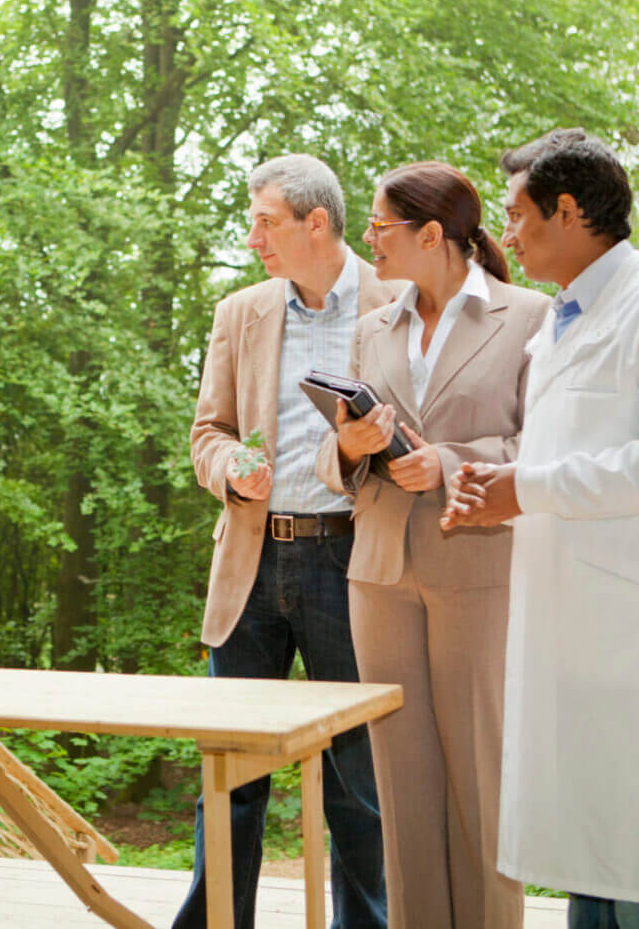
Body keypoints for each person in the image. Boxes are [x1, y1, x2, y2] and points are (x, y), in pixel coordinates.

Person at [442, 131, 639, 927]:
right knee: (590, 861)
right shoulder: (559, 324)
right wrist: (496, 487)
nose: (502, 236)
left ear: (569, 210)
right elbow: (562, 458)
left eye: (514, 215)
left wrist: (530, 487)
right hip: (570, 636)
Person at [317, 161, 548, 929]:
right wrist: (351, 445)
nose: (369, 241)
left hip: (478, 564)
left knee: (478, 778)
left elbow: (543, 444)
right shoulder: (367, 329)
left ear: (432, 235)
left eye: (381, 227)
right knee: (401, 784)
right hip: (378, 572)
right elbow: (332, 464)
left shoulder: (529, 317)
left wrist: (445, 463)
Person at [182, 153, 393, 929]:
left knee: (359, 784)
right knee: (230, 777)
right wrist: (230, 468)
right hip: (250, 558)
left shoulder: (394, 300)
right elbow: (207, 432)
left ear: (316, 222)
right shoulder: (240, 311)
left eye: (264, 222)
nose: (252, 239)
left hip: (353, 560)